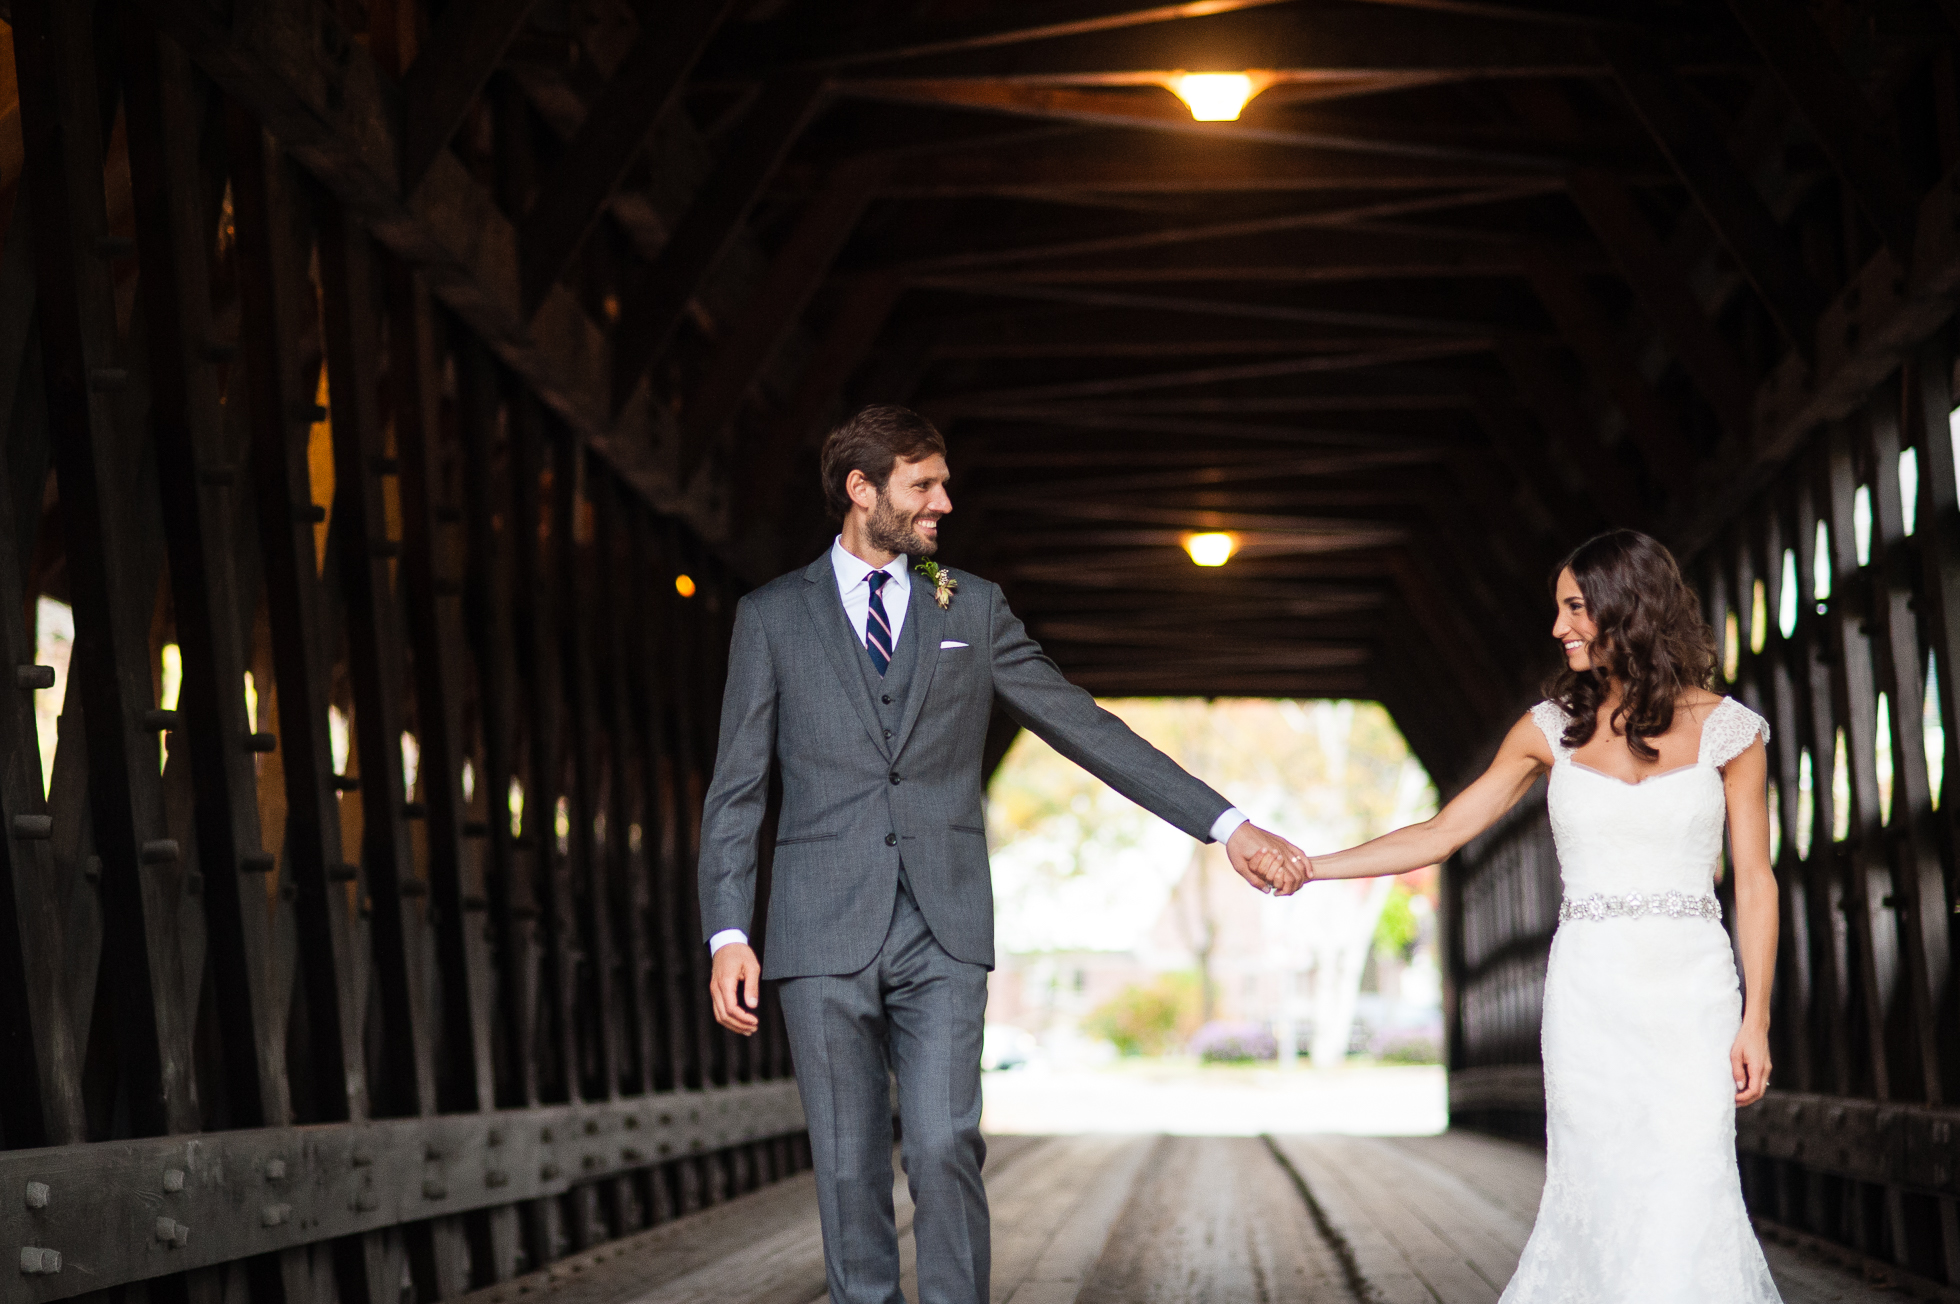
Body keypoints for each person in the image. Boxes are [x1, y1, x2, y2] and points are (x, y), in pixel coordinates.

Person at [697, 404, 1309, 1304]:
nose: (945, 501)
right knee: (847, 1164)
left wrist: (1226, 825)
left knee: (945, 1143)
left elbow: (1084, 727)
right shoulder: (772, 616)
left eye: (943, 482)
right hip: (817, 929)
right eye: (924, 485)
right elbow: (737, 787)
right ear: (862, 491)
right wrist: (726, 932)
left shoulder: (970, 607)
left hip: (943, 928)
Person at [1259, 529, 1782, 1303]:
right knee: (1599, 1179)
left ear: (1625, 608)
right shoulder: (1546, 731)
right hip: (1590, 992)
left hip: (1693, 991)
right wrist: (1312, 867)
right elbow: (1440, 833)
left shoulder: (1732, 732)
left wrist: (1756, 1020)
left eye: (1575, 608)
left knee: (1689, 1177)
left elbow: (1757, 880)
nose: (1559, 627)